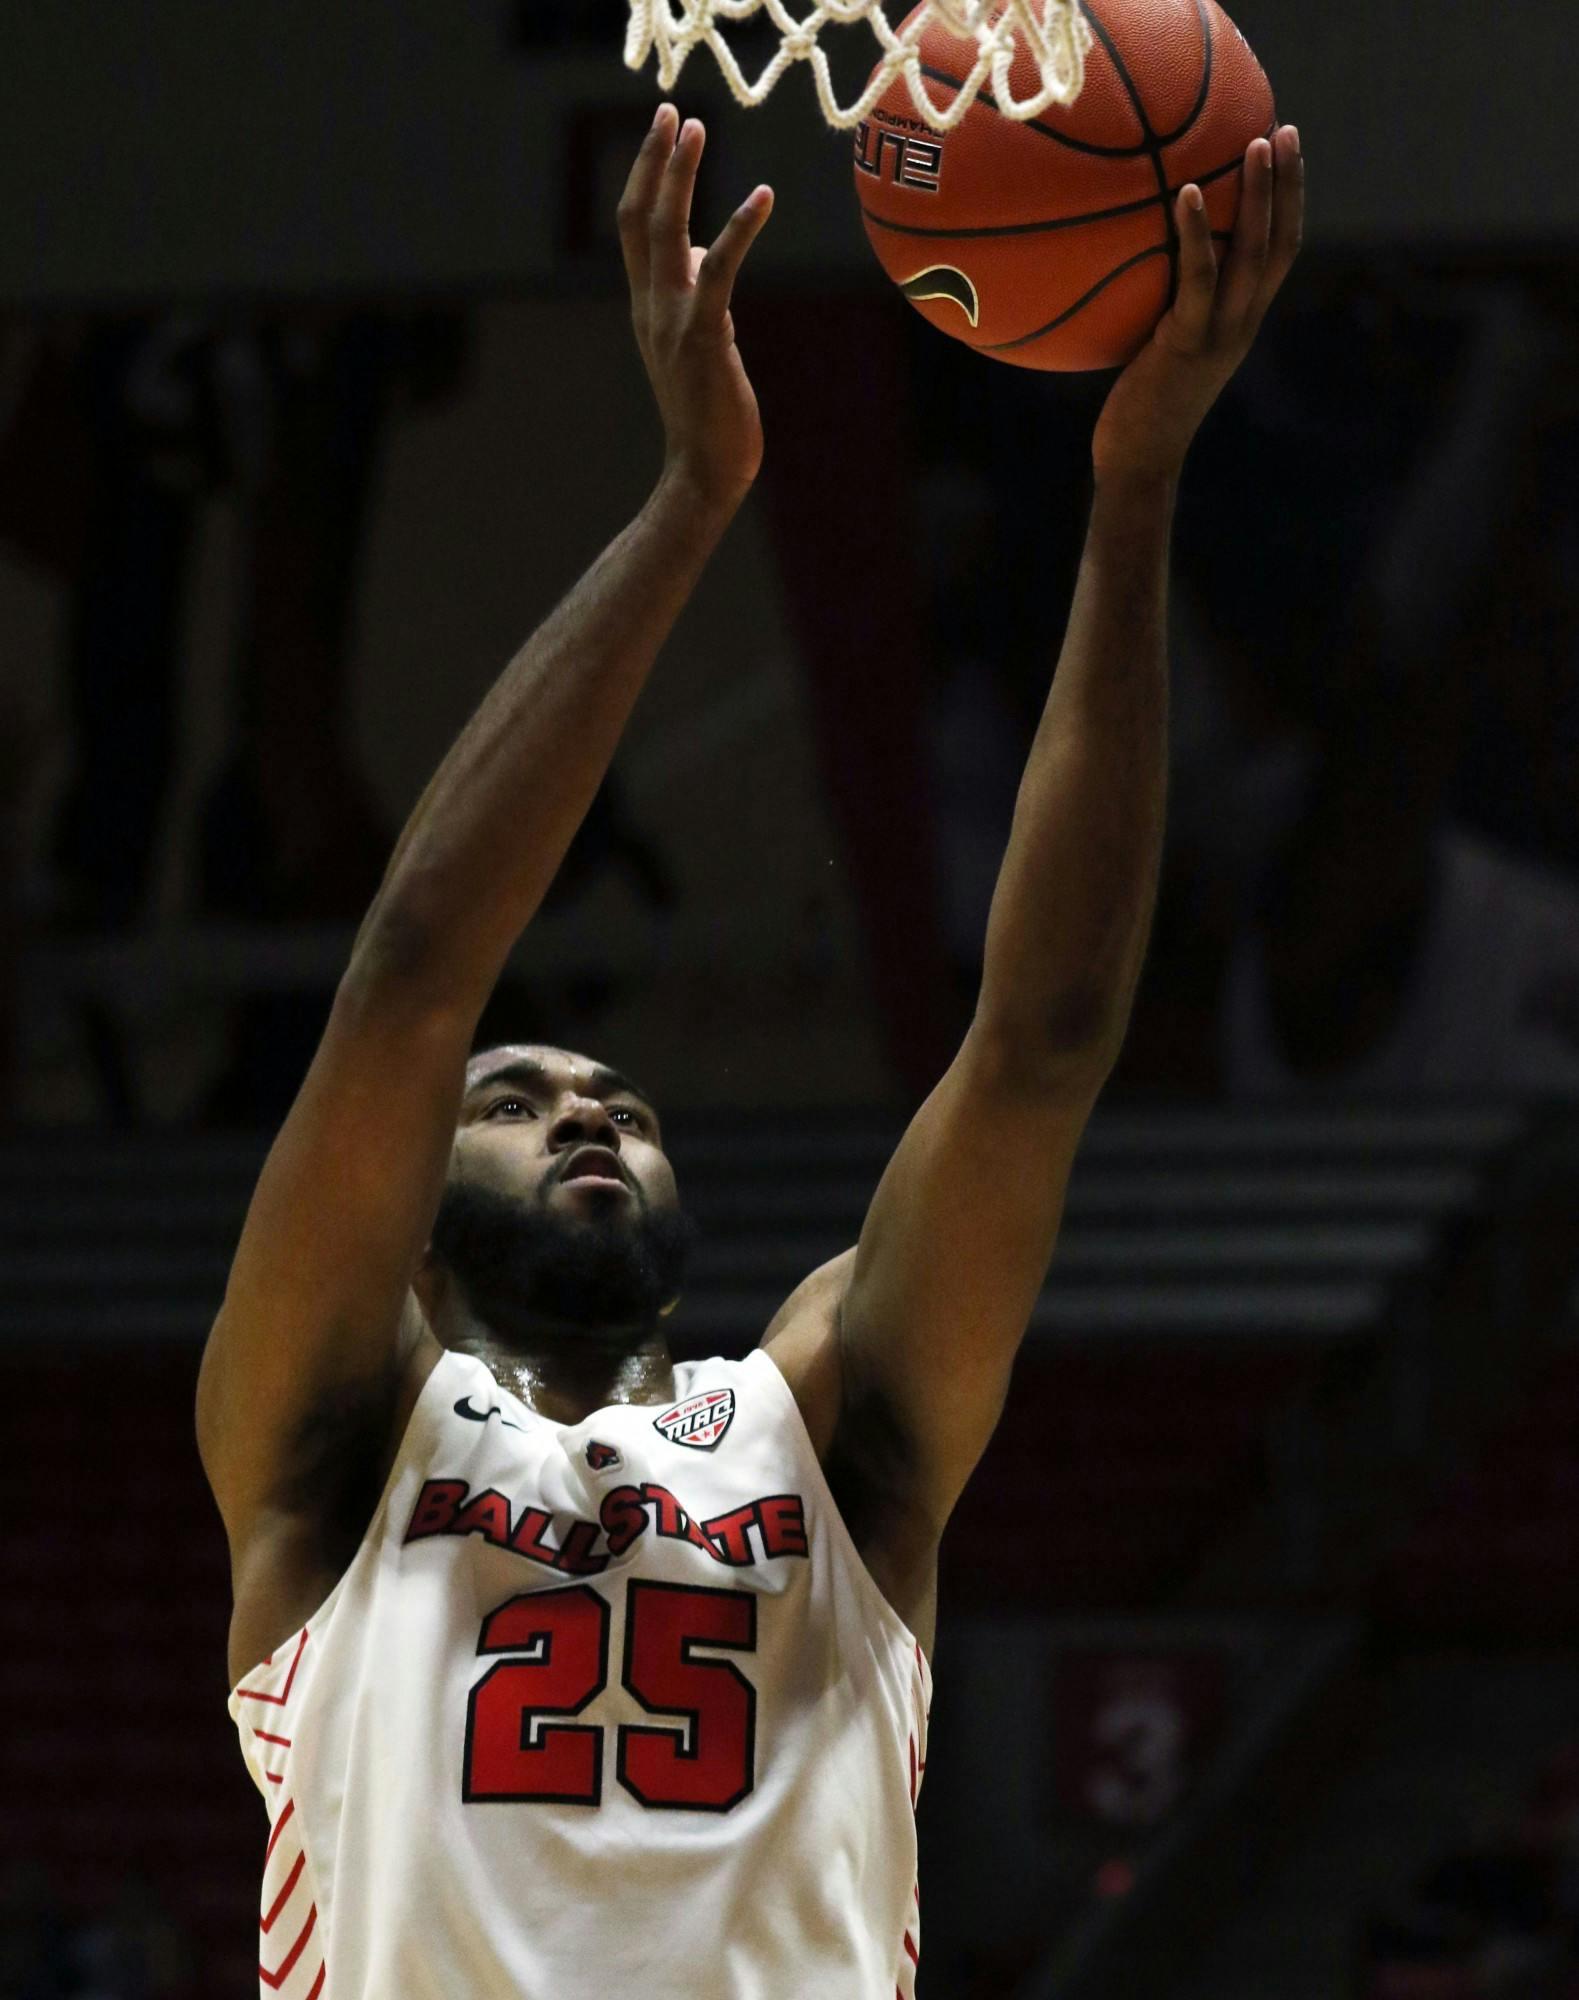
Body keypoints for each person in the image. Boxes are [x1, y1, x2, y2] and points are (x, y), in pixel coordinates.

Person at [196, 105, 1303, 2000]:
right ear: (417, 1218)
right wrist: (692, 499)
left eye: (617, 1102)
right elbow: (411, 976)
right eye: (521, 1105)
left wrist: (1131, 496)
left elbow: (1038, 1045)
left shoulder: (827, 1422)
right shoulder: (331, 1439)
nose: (587, 1116)